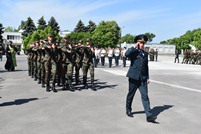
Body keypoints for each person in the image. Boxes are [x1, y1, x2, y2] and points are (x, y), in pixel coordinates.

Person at [125, 34, 157, 123]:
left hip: (142, 78)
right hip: (133, 77)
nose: (142, 44)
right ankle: (128, 109)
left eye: (143, 43)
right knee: (131, 94)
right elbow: (126, 54)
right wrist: (134, 47)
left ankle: (149, 115)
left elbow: (146, 67)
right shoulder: (133, 52)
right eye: (140, 42)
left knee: (145, 96)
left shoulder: (145, 54)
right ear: (137, 43)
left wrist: (147, 77)